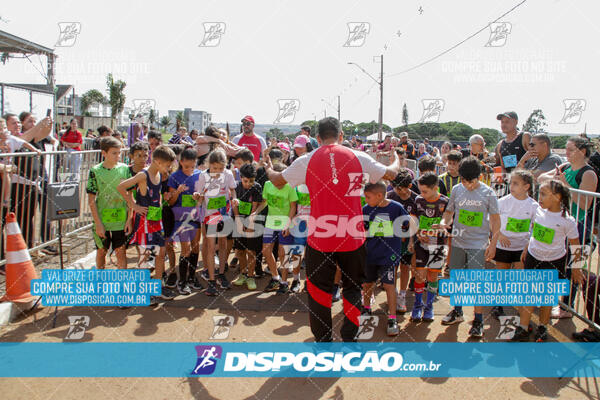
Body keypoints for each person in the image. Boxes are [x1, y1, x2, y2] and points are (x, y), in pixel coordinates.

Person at [262, 117, 400, 342]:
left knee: (318, 291)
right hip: (352, 237)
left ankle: (323, 341)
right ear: (341, 136)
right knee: (353, 288)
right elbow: (392, 174)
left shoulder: (307, 159)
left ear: (317, 138)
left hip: (320, 237)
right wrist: (396, 159)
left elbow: (277, 180)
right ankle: (349, 336)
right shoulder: (358, 156)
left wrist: (268, 169)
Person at [435, 156, 500, 338]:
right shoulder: (457, 189)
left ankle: (478, 319)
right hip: (458, 241)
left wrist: (493, 244)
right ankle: (457, 311)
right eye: (463, 180)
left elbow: (496, 220)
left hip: (478, 244)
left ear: (478, 177)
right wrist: (443, 223)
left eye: (469, 181)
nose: (466, 184)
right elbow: (449, 212)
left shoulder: (488, 193)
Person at [512, 180, 583, 342]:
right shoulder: (538, 211)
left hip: (553, 262)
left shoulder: (568, 221)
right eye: (539, 194)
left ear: (557, 197)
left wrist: (577, 269)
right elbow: (533, 232)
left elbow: (576, 246)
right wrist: (525, 249)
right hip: (532, 257)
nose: (540, 197)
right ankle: (523, 328)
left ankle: (542, 327)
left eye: (543, 194)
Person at [118, 145, 178, 302]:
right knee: (144, 256)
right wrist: (134, 206)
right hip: (144, 222)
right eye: (167, 165)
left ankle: (156, 289)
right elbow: (121, 187)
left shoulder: (158, 174)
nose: (169, 168)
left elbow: (155, 195)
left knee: (160, 253)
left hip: (156, 219)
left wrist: (160, 202)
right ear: (157, 161)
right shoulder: (143, 175)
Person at [362, 180, 407, 336]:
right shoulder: (366, 210)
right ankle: (366, 309)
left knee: (389, 285)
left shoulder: (397, 208)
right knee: (367, 284)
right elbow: (362, 230)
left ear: (379, 195)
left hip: (389, 255)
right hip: (370, 254)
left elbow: (407, 226)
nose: (366, 200)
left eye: (368, 197)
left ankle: (392, 318)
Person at [491, 170, 538, 319]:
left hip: (522, 248)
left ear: (527, 186)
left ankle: (522, 308)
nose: (511, 186)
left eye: (516, 183)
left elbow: (535, 228)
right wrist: (500, 235)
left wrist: (528, 243)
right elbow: (492, 220)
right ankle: (497, 305)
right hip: (503, 246)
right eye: (511, 182)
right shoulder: (502, 201)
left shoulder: (533, 206)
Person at [194, 149, 236, 296]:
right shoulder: (203, 176)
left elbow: (232, 190)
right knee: (211, 247)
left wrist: (234, 198)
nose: (217, 171)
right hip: (210, 216)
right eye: (214, 168)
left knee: (223, 244)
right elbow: (199, 197)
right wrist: (197, 196)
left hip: (224, 214)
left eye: (221, 168)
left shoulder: (229, 174)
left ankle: (221, 273)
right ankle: (211, 281)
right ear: (209, 165)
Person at [252, 162, 298, 293]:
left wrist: (288, 224)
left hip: (285, 223)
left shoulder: (290, 187)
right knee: (266, 250)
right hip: (270, 223)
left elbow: (293, 206)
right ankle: (275, 277)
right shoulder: (267, 185)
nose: (282, 181)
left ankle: (284, 282)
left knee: (282, 254)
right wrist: (256, 212)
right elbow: (265, 202)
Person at [87, 136, 132, 270]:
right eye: (114, 153)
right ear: (104, 153)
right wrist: (98, 223)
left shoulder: (125, 169)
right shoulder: (95, 171)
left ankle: (121, 284)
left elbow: (130, 196)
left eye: (119, 152)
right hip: (102, 221)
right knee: (101, 251)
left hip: (121, 221)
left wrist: (129, 219)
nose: (118, 156)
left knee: (121, 252)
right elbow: (91, 200)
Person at [410, 172, 449, 323]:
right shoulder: (419, 200)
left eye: (425, 191)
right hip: (421, 244)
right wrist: (418, 233)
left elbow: (449, 224)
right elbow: (413, 219)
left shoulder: (445, 202)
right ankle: (417, 305)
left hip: (438, 245)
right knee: (419, 275)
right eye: (420, 190)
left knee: (432, 276)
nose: (422, 194)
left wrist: (444, 228)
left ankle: (429, 306)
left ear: (435, 188)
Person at [166, 147, 204, 295]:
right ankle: (182, 281)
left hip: (196, 216)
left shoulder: (200, 175)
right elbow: (170, 202)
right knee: (186, 249)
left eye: (192, 166)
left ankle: (192, 278)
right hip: (181, 218)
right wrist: (177, 192)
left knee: (195, 248)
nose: (189, 169)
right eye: (186, 166)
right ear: (181, 162)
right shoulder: (174, 177)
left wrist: (198, 197)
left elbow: (203, 198)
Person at [387, 169, 418, 313]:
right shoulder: (389, 196)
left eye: (401, 188)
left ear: (409, 186)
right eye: (395, 187)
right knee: (392, 268)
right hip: (392, 240)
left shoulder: (416, 200)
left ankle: (402, 296)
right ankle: (391, 295)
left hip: (408, 241)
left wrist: (412, 241)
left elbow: (415, 223)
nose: (398, 191)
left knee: (405, 268)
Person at [231, 163, 263, 290]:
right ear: (241, 177)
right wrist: (239, 220)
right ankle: (243, 274)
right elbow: (234, 205)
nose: (248, 183)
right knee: (239, 250)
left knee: (251, 251)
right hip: (238, 220)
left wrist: (249, 224)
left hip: (252, 222)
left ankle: (251, 276)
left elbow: (255, 207)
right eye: (245, 181)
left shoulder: (257, 187)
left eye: (251, 181)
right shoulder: (236, 186)